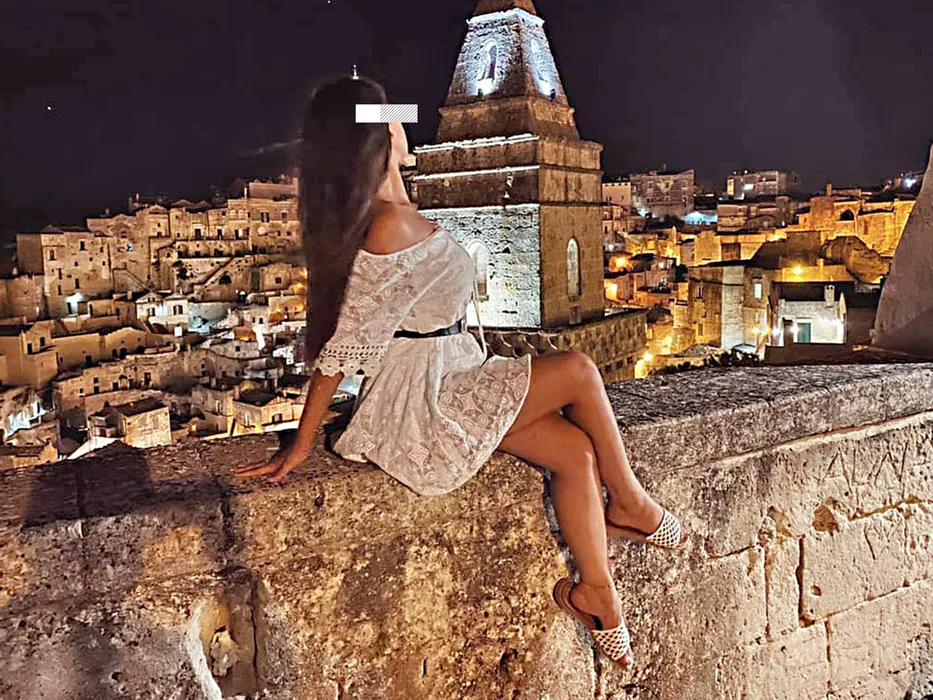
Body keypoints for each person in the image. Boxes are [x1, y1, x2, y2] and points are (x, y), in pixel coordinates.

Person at [236, 74, 687, 668]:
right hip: (427, 394)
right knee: (578, 369)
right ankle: (629, 502)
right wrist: (300, 443)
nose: (406, 122)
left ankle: (597, 595)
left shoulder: (399, 210)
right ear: (375, 137)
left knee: (575, 453)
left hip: (457, 372)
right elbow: (346, 346)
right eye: (392, 118)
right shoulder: (387, 224)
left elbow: (407, 118)